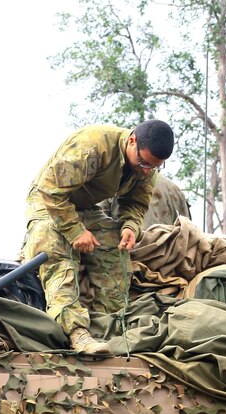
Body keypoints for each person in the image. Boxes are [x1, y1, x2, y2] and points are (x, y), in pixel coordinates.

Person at [22, 120, 174, 355]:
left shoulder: (147, 168)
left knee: (115, 249)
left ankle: (109, 327)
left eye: (154, 167)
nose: (146, 171)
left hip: (85, 207)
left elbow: (136, 204)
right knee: (58, 255)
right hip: (49, 203)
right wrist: (75, 232)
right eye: (143, 163)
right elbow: (50, 189)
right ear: (132, 140)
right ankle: (77, 333)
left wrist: (130, 227)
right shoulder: (92, 146)